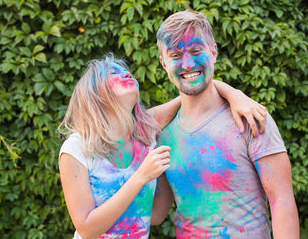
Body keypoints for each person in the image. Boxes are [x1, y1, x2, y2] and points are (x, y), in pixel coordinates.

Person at [58, 54, 267, 238]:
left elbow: (156, 215)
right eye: (112, 73)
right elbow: (86, 229)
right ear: (94, 93)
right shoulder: (76, 148)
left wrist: (234, 95)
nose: (126, 74)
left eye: (126, 71)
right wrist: (142, 176)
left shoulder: (145, 132)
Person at [153, 10, 299, 238]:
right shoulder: (164, 136)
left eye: (196, 51)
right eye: (175, 55)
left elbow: (281, 200)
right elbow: (156, 213)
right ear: (163, 63)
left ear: (213, 52)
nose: (188, 63)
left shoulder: (250, 119)